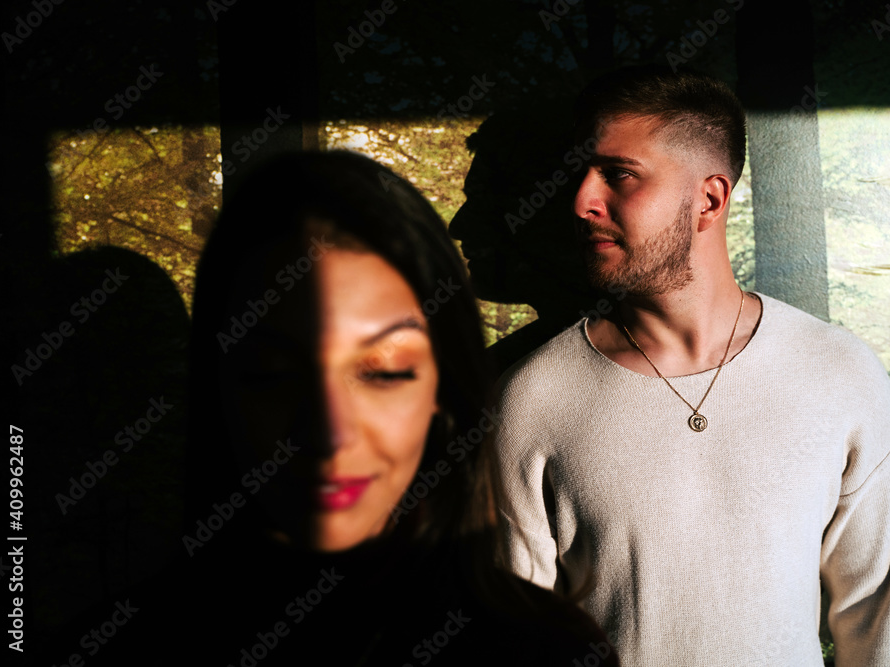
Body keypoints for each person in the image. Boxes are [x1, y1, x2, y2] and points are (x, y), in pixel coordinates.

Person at [36, 151, 618, 666]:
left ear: (443, 394)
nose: (329, 430)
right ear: (219, 389)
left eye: (384, 372)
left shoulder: (546, 653)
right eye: (273, 373)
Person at [493, 66, 890, 666]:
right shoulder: (532, 396)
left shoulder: (839, 371)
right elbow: (516, 638)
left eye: (619, 174)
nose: (582, 201)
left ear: (709, 199)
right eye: (580, 174)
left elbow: (878, 619)